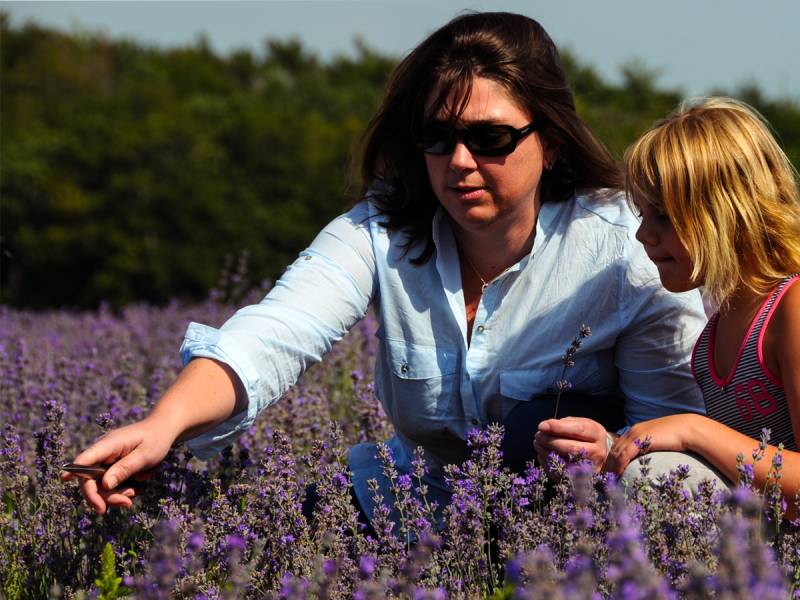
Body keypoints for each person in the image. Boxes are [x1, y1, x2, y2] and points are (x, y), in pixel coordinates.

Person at [62, 12, 707, 528]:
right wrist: (161, 426)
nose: (458, 160)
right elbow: (275, 333)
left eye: (489, 139)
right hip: (404, 509)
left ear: (551, 140)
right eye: (437, 137)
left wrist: (610, 448)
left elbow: (665, 446)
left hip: (572, 525)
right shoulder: (383, 231)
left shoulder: (626, 249)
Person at [603, 97, 800, 517]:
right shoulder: (714, 332)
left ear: (729, 212)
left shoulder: (791, 309)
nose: (642, 234)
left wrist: (694, 430)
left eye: (665, 217)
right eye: (642, 214)